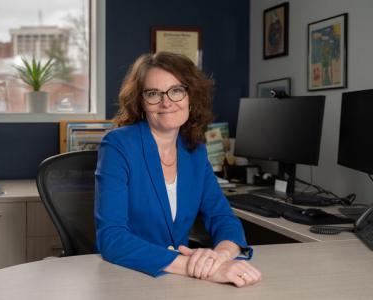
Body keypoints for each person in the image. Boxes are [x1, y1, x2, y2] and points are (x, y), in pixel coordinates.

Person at [95, 52, 262, 287]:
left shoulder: (194, 151)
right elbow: (112, 239)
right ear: (141, 102)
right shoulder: (118, 145)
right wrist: (196, 268)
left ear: (190, 96)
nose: (166, 102)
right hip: (130, 276)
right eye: (153, 94)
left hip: (177, 282)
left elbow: (222, 217)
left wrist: (221, 257)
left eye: (176, 90)